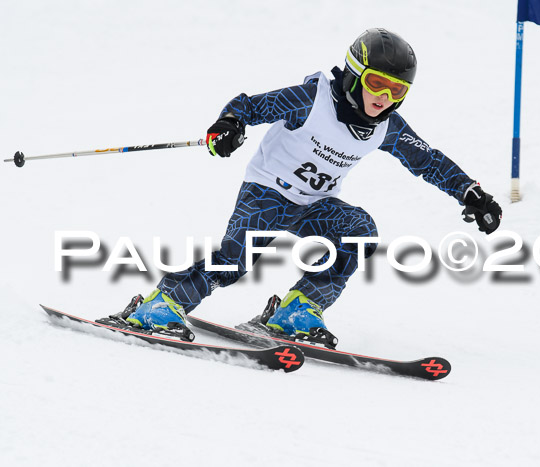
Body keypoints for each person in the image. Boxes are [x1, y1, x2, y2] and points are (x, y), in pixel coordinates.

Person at [124, 28, 502, 342]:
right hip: (268, 192)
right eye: (376, 84)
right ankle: (161, 304)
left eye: (396, 91)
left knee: (359, 231)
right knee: (234, 262)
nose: (383, 99)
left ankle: (297, 310)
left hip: (315, 205)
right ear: (355, 73)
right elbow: (250, 106)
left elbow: (427, 160)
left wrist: (470, 192)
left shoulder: (387, 127)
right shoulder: (311, 99)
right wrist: (228, 125)